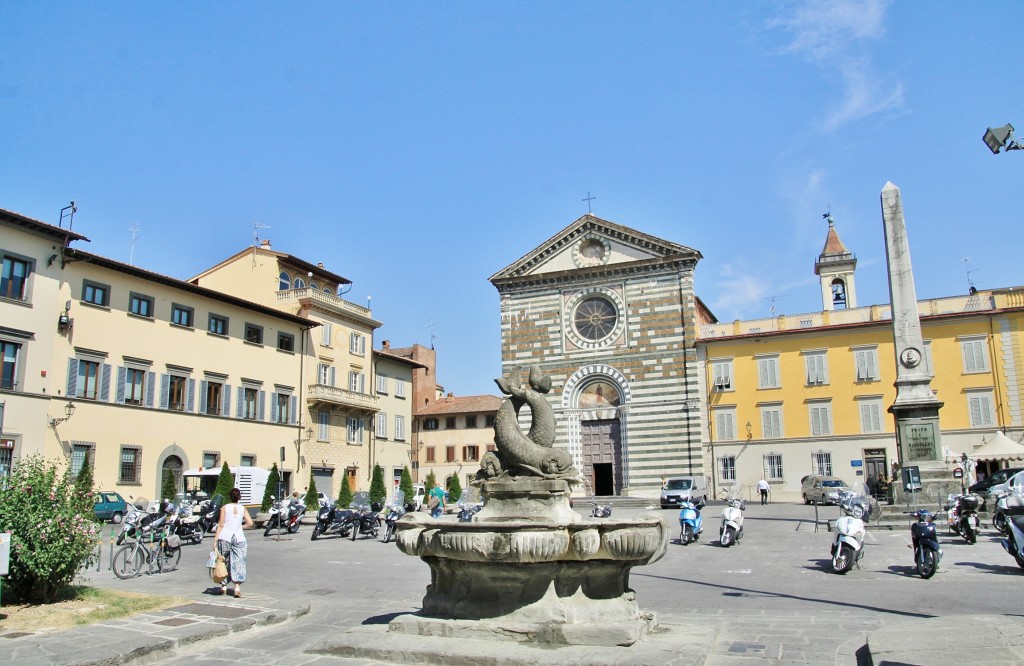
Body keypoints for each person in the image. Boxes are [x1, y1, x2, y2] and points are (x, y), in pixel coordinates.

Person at [214, 487, 254, 598]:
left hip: (225, 536)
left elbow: (221, 525)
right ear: (239, 497)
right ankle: (237, 587)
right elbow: (250, 523)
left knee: (223, 560)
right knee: (239, 561)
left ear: (229, 497)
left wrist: (215, 540)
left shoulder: (224, 508)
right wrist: (240, 527)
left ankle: (224, 586)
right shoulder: (242, 508)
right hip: (239, 537)